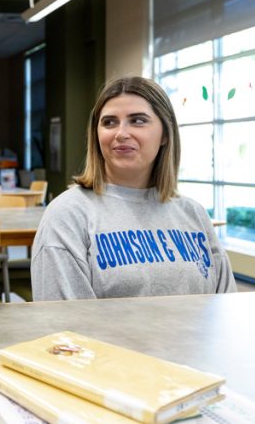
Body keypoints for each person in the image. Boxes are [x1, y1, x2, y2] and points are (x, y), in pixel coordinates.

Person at [31, 76, 236, 300]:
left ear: (165, 134)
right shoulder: (67, 215)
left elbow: (225, 305)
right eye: (109, 122)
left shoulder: (194, 214)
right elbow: (66, 324)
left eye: (137, 120)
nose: (121, 133)